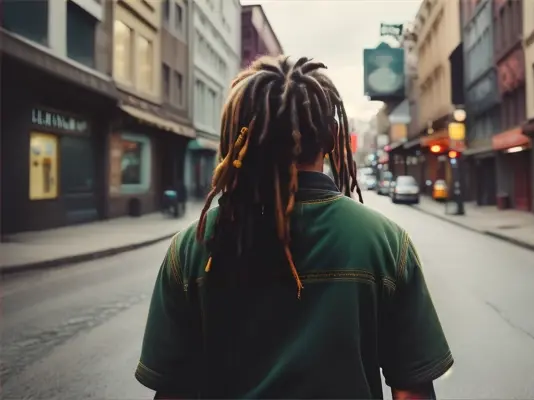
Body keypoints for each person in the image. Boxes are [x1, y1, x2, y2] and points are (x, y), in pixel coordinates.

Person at [135, 55, 452, 399]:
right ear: (333, 137)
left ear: (239, 137)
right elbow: (412, 391)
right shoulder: (386, 243)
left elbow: (172, 392)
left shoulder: (192, 248)